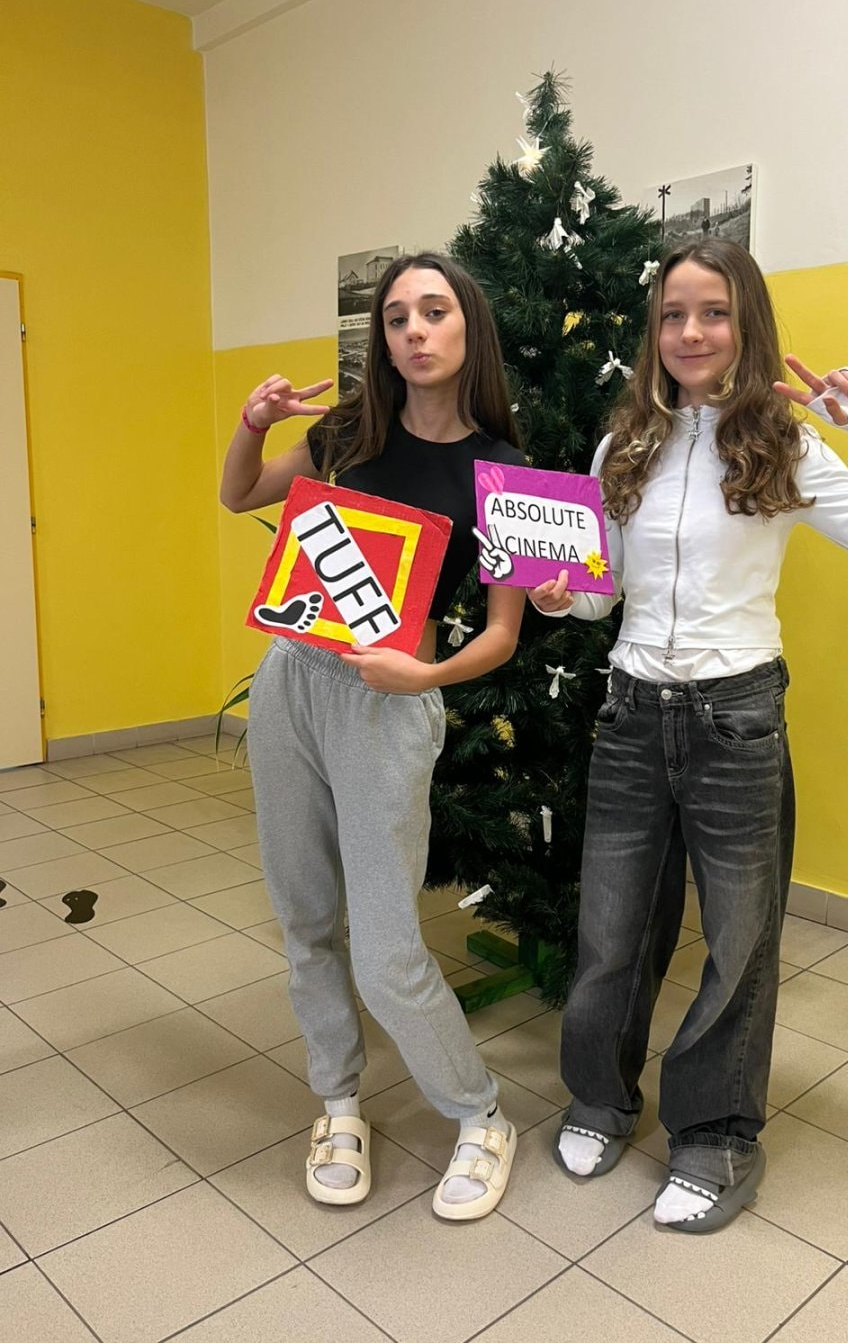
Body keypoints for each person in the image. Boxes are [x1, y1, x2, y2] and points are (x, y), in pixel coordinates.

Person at [530, 239, 848, 1233]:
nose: (691, 332)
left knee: (739, 942)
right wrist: (563, 595)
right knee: (612, 930)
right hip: (632, 713)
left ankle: (714, 1135)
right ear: (655, 332)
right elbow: (603, 592)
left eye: (712, 312)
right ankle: (600, 1099)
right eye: (673, 315)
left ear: (745, 323)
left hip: (736, 717)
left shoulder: (784, 446)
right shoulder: (623, 446)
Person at [220, 253, 527, 1220]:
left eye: (434, 312)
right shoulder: (347, 435)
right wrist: (251, 423)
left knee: (388, 948)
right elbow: (240, 495)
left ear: (468, 326)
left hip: (391, 704)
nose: (415, 331)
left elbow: (503, 635)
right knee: (305, 918)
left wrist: (424, 677)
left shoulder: (503, 472)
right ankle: (339, 1103)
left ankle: (480, 1115)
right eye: (397, 317)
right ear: (383, 339)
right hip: (291, 682)